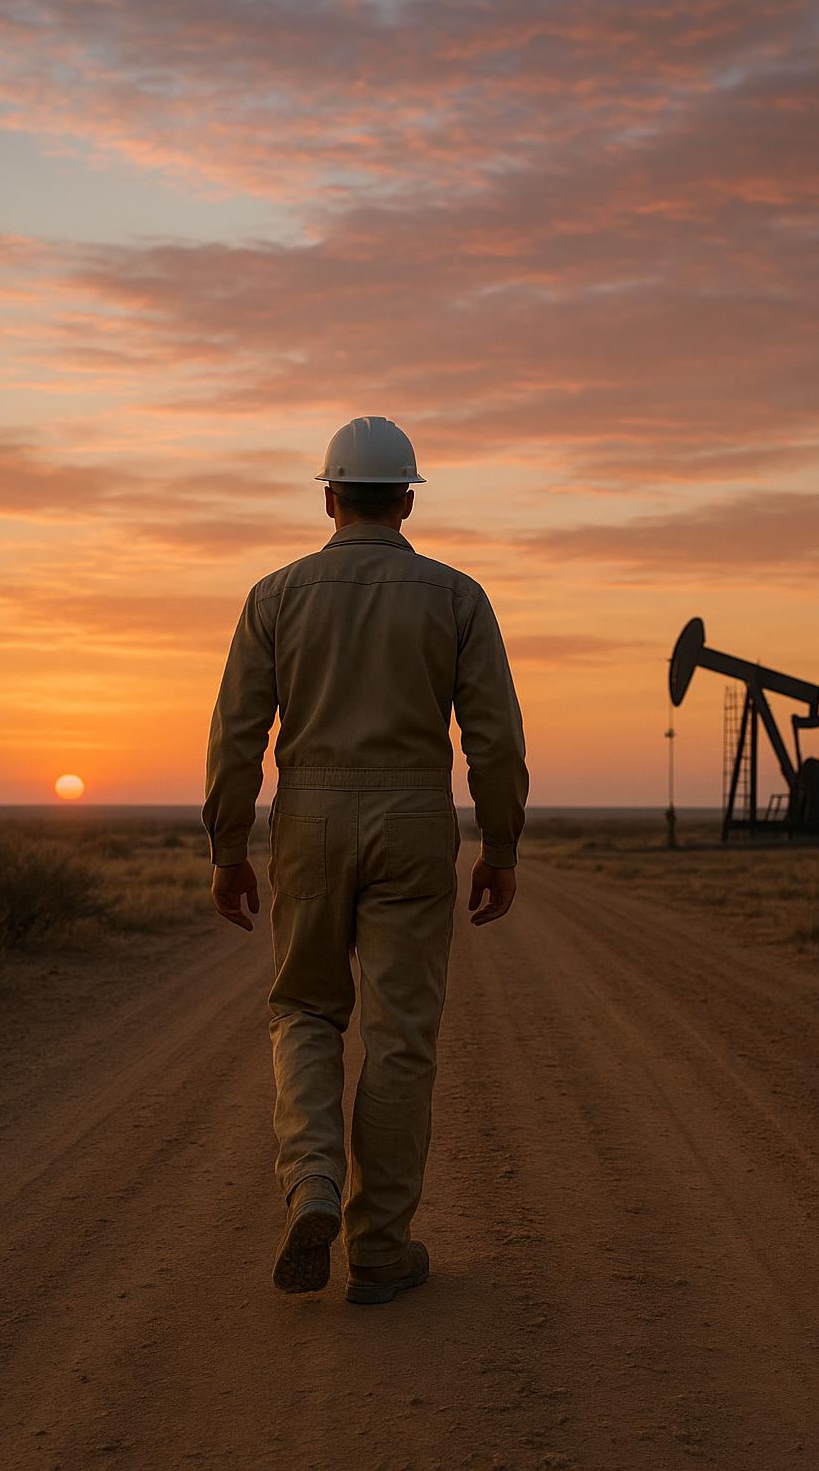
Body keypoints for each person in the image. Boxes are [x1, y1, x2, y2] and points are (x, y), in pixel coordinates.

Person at [201, 416, 529, 1305]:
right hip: (415, 818)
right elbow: (495, 739)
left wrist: (228, 848)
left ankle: (313, 1182)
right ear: (407, 502)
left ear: (330, 498)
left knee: (306, 1009)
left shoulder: (275, 597)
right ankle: (380, 1247)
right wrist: (500, 845)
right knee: (400, 1038)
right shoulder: (457, 598)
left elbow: (236, 736)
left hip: (307, 815)